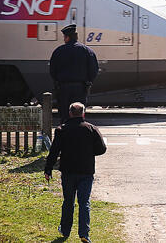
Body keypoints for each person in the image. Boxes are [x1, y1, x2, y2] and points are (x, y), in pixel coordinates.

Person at [45, 102, 107, 243]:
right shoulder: (91, 129)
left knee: (68, 201)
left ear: (70, 113)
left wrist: (48, 168)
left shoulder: (62, 130)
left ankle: (65, 230)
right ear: (83, 113)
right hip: (86, 170)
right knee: (84, 202)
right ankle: (84, 233)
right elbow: (102, 149)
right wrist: (90, 152)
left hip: (68, 171)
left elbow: (54, 151)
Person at [49, 25, 99, 124]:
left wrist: (57, 81)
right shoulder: (86, 50)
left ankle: (65, 134)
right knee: (78, 115)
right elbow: (94, 69)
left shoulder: (59, 51)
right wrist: (88, 82)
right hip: (80, 87)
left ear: (67, 37)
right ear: (76, 37)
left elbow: (52, 70)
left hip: (63, 88)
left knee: (64, 115)